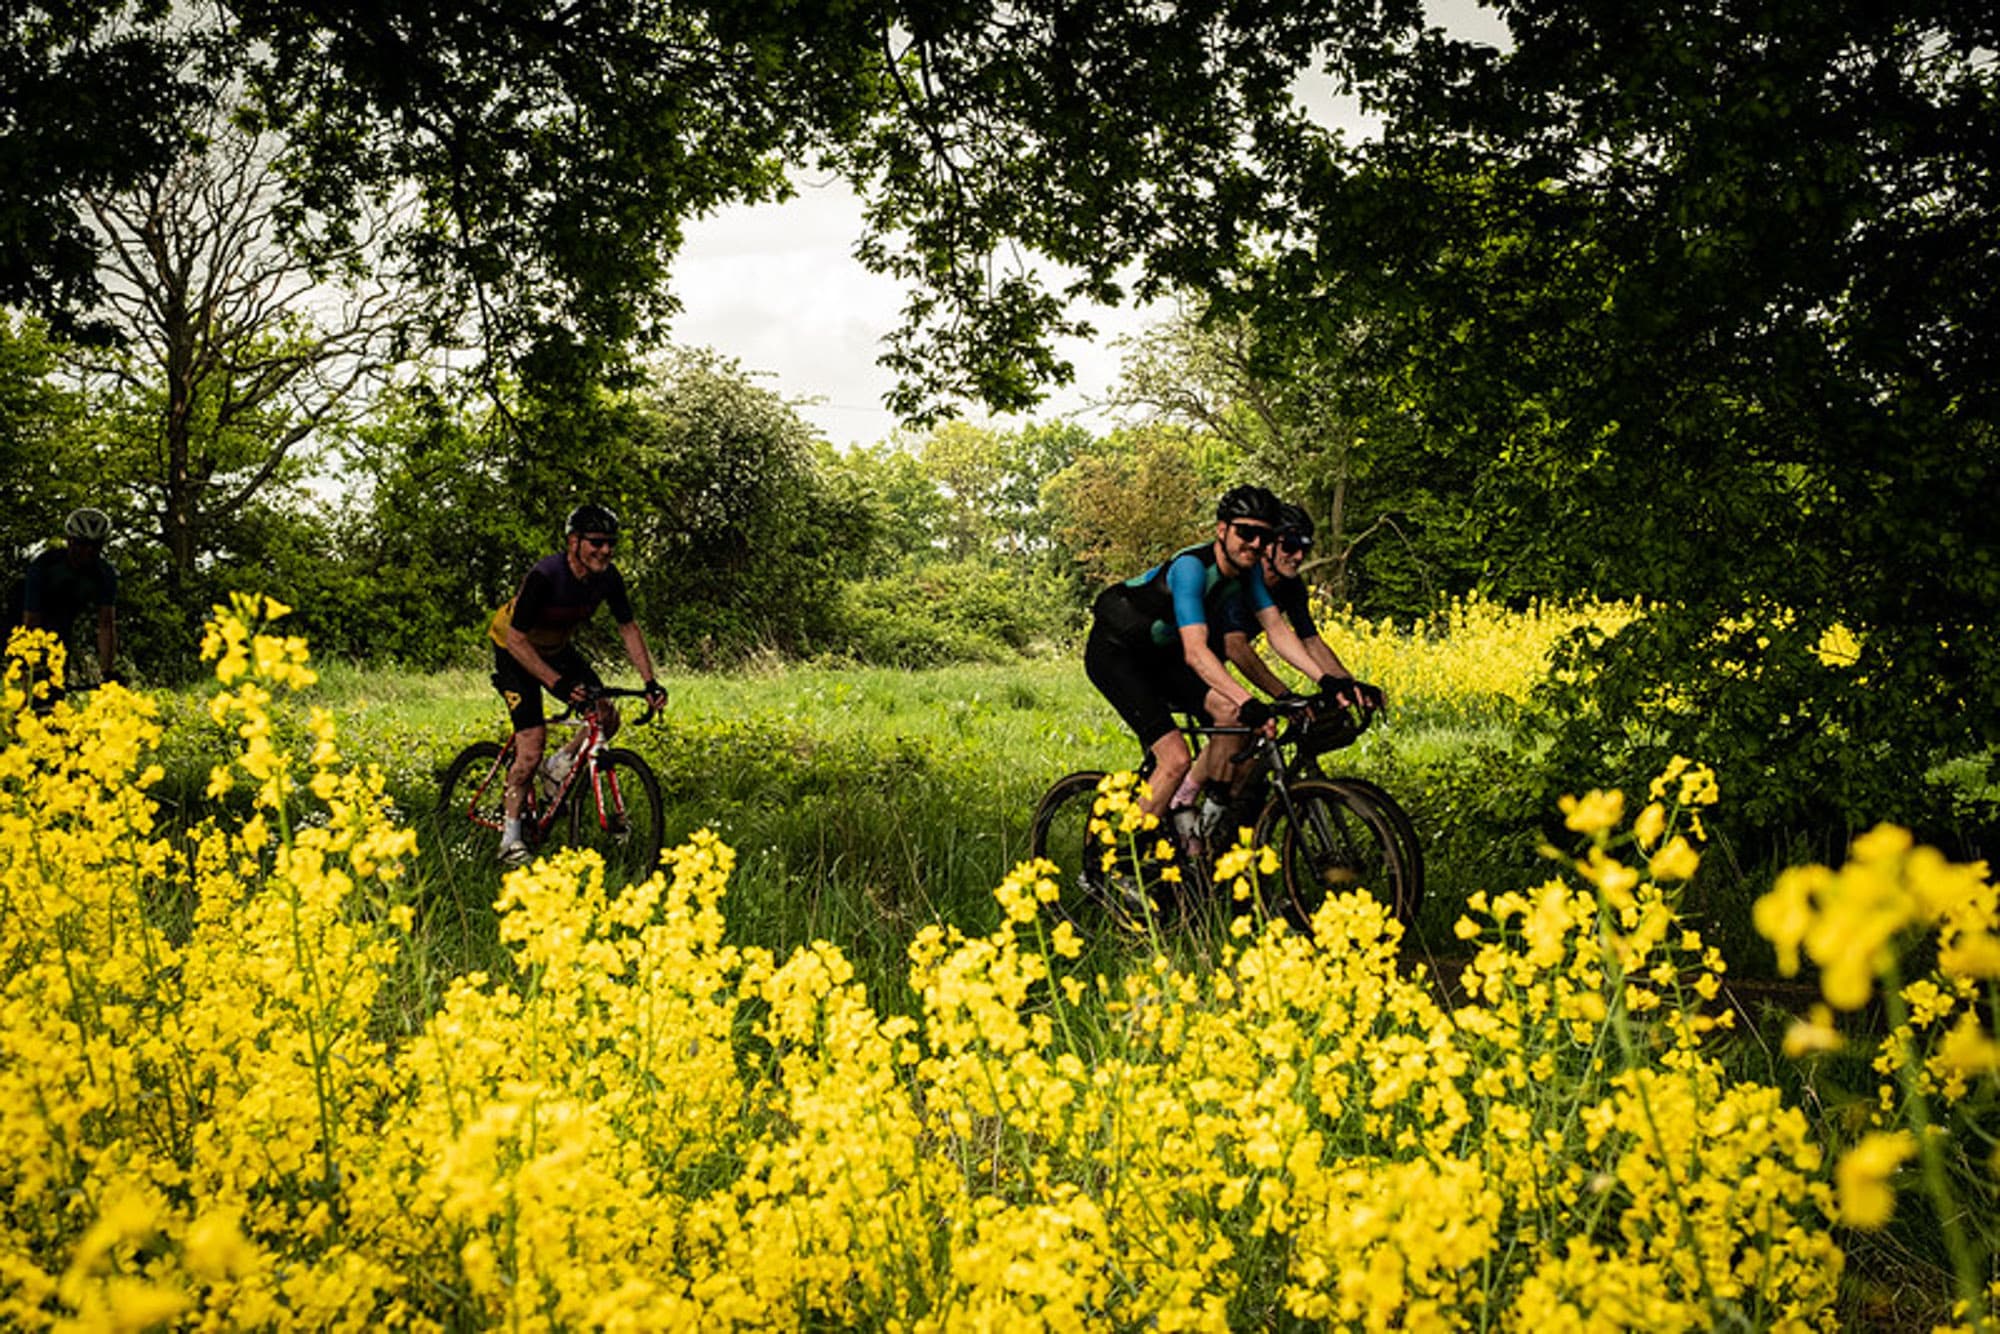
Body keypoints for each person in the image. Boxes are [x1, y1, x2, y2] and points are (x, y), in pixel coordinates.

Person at [1084, 486, 1342, 839]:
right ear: (1222, 530)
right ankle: (1123, 858)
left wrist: (1327, 680)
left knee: (1231, 717)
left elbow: (1277, 630)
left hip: (1161, 656)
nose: (1255, 543)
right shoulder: (1192, 568)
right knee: (1175, 758)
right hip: (1117, 653)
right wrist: (1247, 699)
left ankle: (1194, 827)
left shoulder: (1249, 575)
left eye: (1264, 536)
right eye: (1245, 532)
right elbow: (1196, 651)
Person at [487, 503, 667, 867]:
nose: (605, 550)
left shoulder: (608, 577)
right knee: (530, 749)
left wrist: (650, 682)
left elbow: (628, 628)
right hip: (514, 650)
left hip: (556, 648)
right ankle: (510, 839)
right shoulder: (545, 576)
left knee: (606, 715)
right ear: (574, 542)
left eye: (610, 543)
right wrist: (556, 683)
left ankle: (560, 764)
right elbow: (517, 640)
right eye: (596, 542)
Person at [1212, 502, 1382, 714]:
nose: (1299, 556)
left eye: (1305, 548)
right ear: (1267, 545)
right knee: (1234, 717)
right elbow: (1235, 647)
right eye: (1290, 546)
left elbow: (1311, 641)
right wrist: (1284, 696)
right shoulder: (1240, 579)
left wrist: (1347, 684)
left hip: (1210, 666)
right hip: (1184, 663)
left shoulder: (1291, 586)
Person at [9, 507, 120, 686]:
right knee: (30, 681)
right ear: (69, 541)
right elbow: (31, 621)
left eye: (96, 546)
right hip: (24, 613)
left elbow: (106, 624)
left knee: (58, 680)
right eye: (82, 544)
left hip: (63, 620)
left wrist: (107, 671)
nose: (88, 551)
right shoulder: (44, 566)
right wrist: (31, 667)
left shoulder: (105, 574)